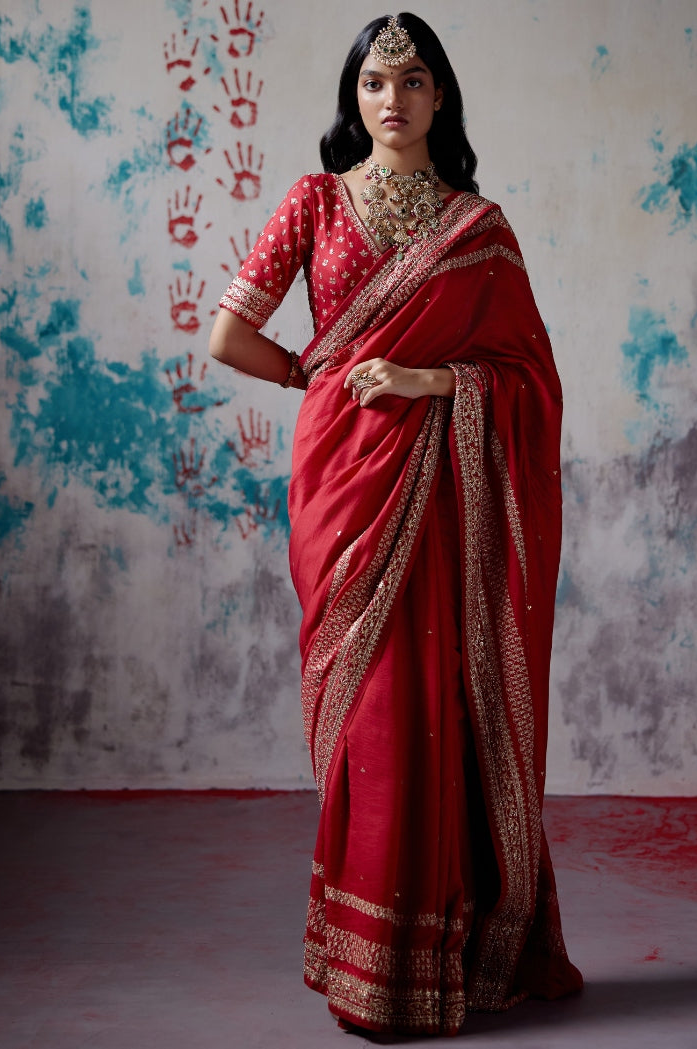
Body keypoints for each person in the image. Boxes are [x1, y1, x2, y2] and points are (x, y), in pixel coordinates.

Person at [208, 12, 583, 1038]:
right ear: (353, 97)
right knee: (369, 702)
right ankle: (364, 966)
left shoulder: (479, 226)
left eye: (412, 81)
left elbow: (528, 382)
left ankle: (444, 957)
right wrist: (315, 376)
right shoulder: (313, 201)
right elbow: (227, 333)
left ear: (439, 97)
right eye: (375, 82)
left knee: (436, 696)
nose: (392, 99)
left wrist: (425, 382)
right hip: (344, 483)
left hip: (443, 492)